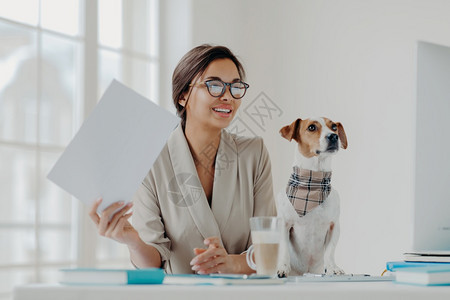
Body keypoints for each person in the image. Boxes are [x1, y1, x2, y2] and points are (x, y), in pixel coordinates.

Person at [89, 44, 276, 274]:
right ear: (183, 96)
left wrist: (232, 263)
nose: (228, 96)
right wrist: (133, 241)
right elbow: (152, 264)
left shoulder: (253, 153)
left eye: (235, 87)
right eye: (214, 85)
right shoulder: (150, 159)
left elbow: (269, 248)